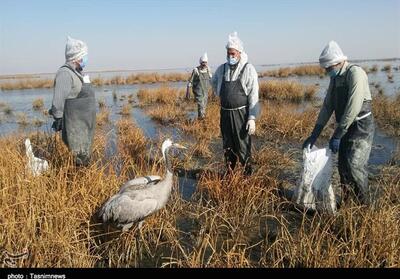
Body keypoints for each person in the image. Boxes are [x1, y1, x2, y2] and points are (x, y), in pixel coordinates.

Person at [303, 41, 375, 205]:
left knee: (355, 166)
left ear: (338, 62)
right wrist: (315, 133)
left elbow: (353, 107)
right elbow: (328, 106)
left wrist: (337, 134)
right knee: (343, 167)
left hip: (360, 127)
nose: (327, 72)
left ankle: (363, 206)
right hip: (345, 127)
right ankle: (349, 203)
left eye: (329, 68)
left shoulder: (355, 73)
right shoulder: (335, 79)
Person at [211, 32, 259, 175]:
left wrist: (252, 118)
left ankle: (246, 177)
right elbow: (213, 82)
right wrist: (219, 93)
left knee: (243, 145)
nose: (230, 56)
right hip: (225, 113)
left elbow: (254, 95)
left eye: (233, 53)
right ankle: (230, 174)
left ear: (239, 53)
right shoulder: (222, 68)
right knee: (228, 145)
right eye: (228, 53)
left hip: (241, 114)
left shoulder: (248, 69)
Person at [49, 36, 96, 166]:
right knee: (79, 160)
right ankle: (78, 182)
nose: (86, 58)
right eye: (84, 55)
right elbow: (58, 102)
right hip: (74, 127)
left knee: (83, 158)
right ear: (77, 57)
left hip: (83, 126)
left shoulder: (77, 73)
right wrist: (58, 119)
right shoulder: (65, 73)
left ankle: (82, 179)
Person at [186, 53, 212, 120]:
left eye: (205, 62)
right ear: (200, 62)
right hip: (198, 92)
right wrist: (187, 93)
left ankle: (200, 119)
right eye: (203, 62)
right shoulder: (196, 70)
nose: (204, 64)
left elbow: (212, 80)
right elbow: (190, 82)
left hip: (205, 91)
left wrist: (214, 91)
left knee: (204, 106)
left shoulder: (208, 69)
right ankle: (202, 119)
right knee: (201, 105)